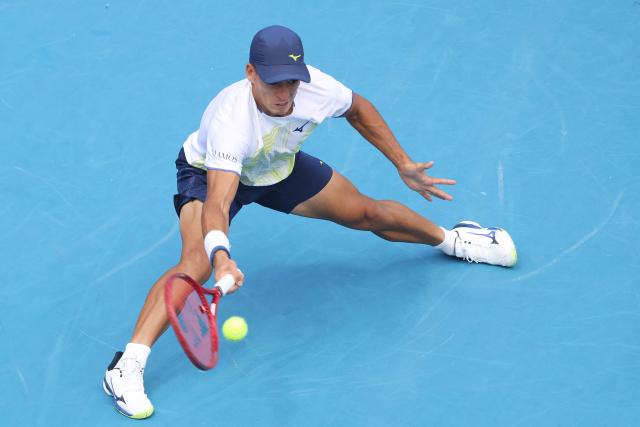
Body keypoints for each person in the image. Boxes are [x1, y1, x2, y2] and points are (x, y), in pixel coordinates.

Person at [102, 25, 517, 419]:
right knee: (196, 262)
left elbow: (359, 108)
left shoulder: (315, 87)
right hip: (210, 175)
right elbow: (218, 203)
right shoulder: (231, 121)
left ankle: (454, 238)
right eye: (273, 82)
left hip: (276, 166)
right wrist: (223, 256)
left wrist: (403, 163)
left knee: (366, 212)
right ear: (250, 73)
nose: (285, 93)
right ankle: (126, 366)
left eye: (291, 82)